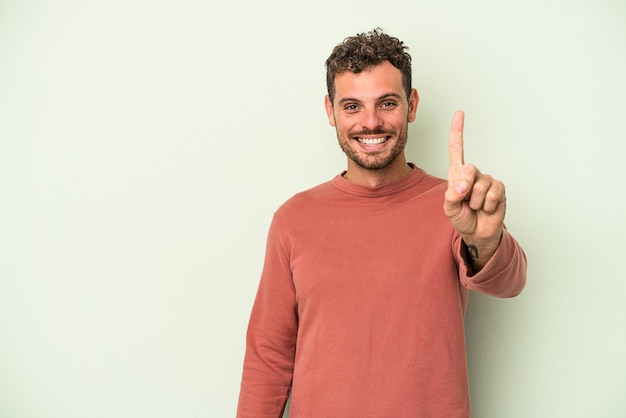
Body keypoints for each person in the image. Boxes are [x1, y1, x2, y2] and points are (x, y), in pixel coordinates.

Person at [236, 28, 526, 417]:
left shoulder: (454, 206)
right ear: (330, 110)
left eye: (387, 103)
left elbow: (509, 283)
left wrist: (485, 242)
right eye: (352, 106)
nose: (370, 122)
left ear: (412, 105)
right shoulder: (294, 219)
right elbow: (268, 354)